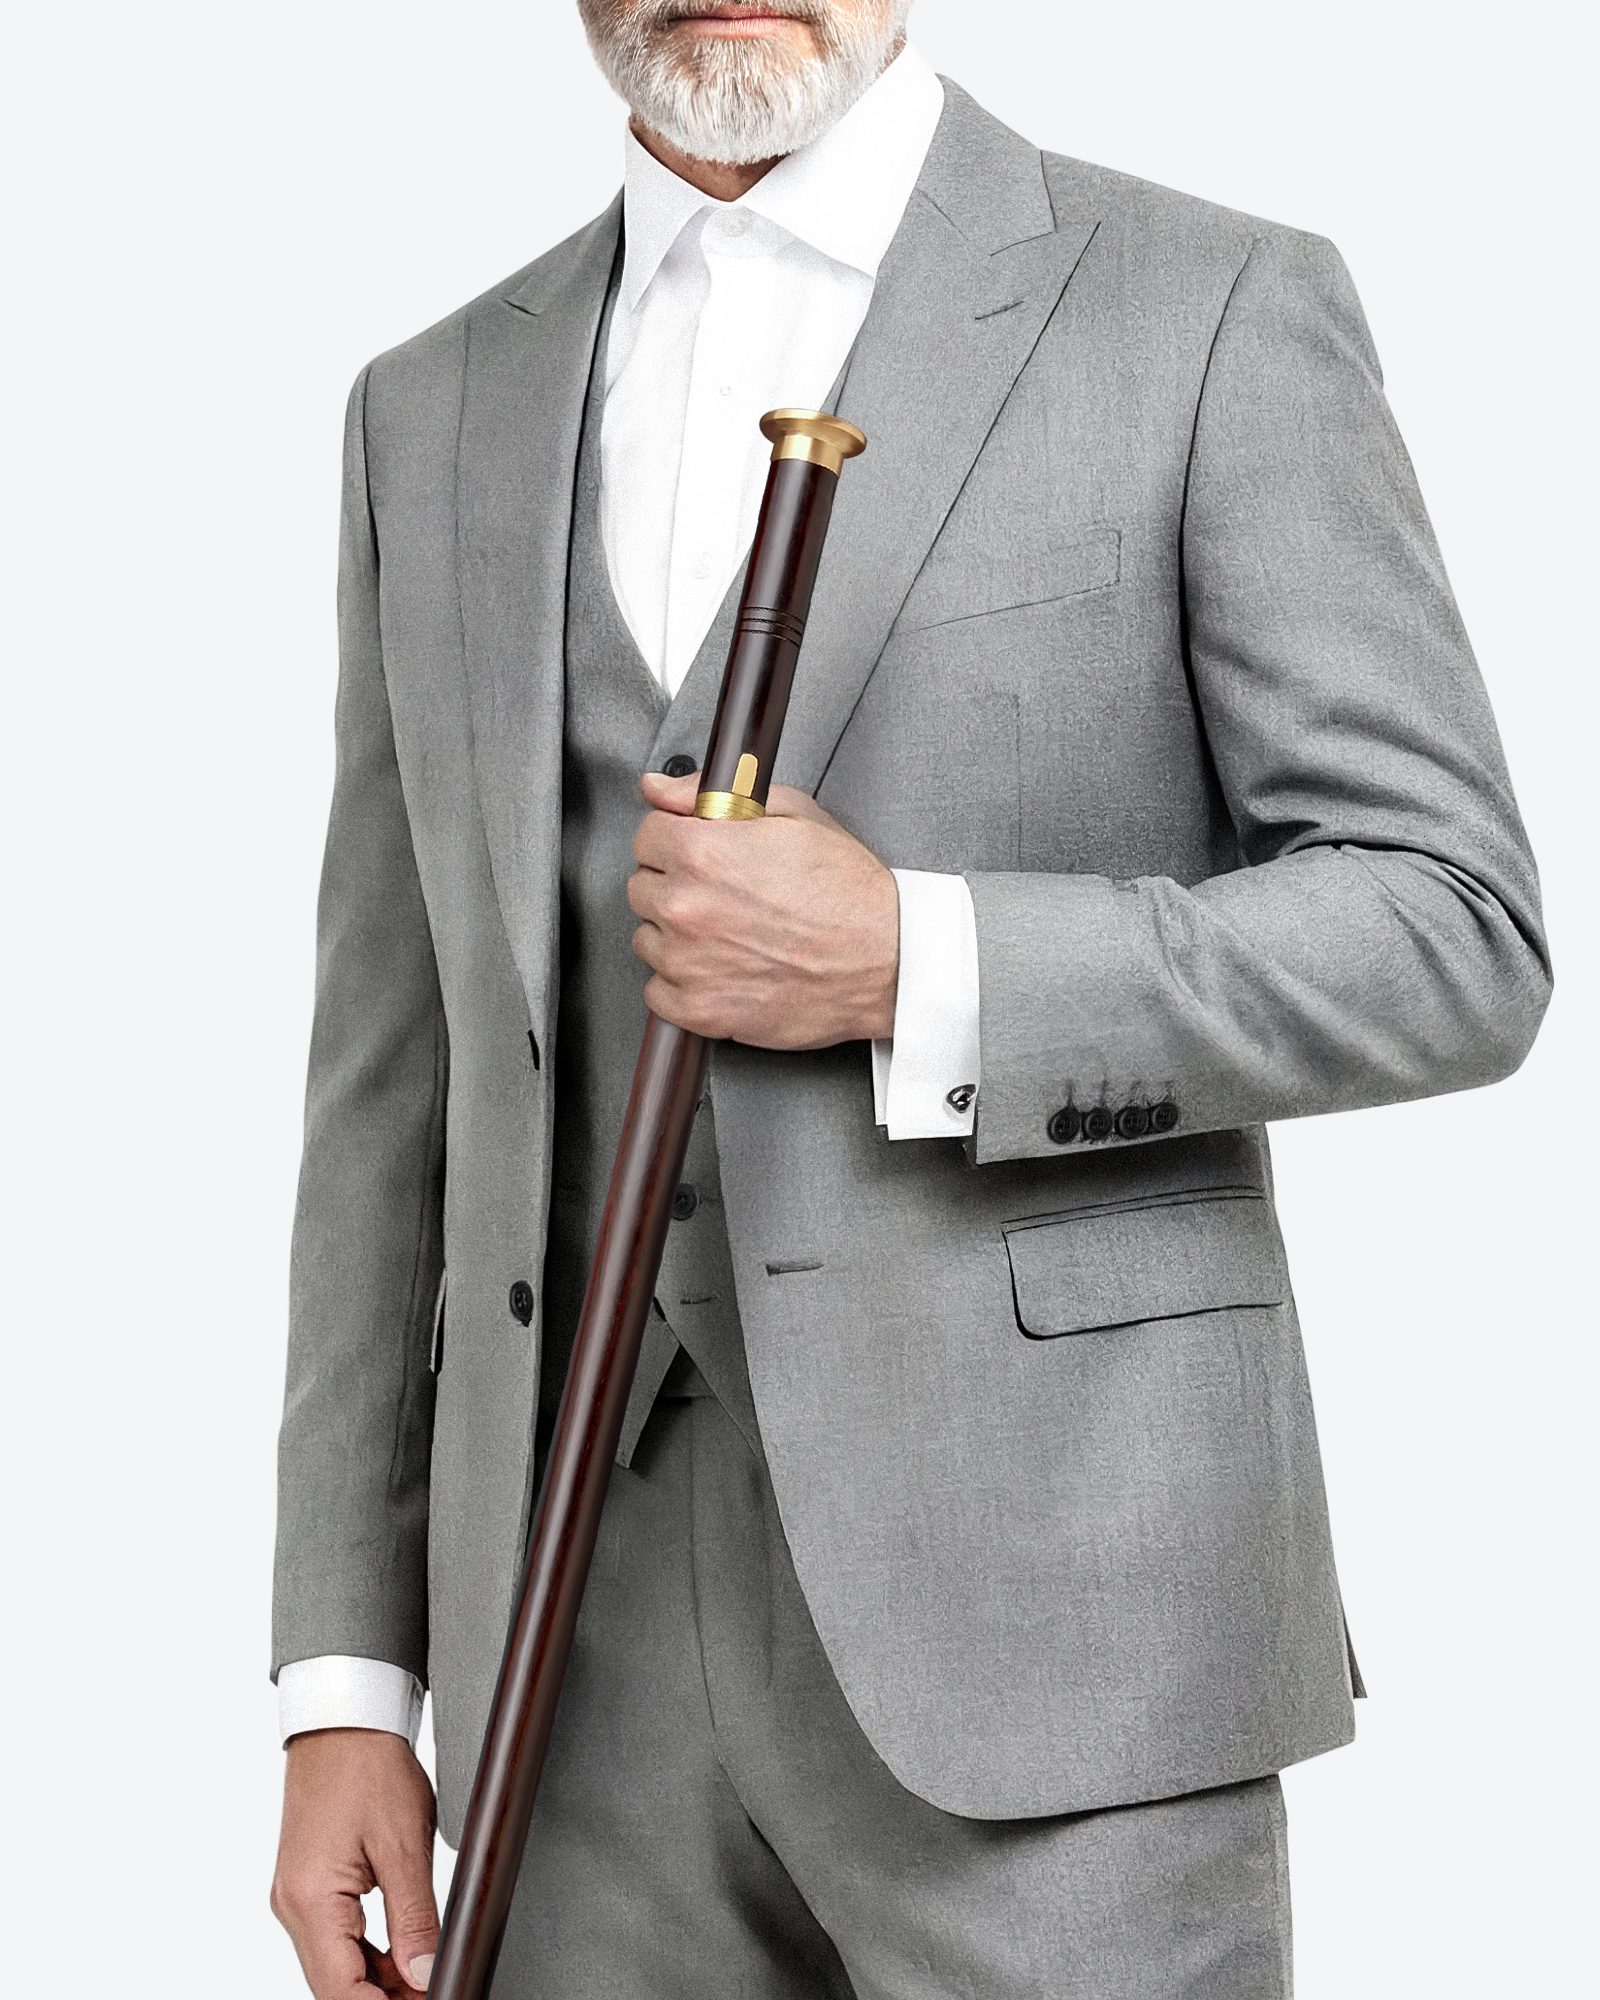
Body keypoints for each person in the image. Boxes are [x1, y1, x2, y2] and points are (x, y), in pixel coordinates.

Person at [268, 3, 1552, 1994]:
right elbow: (390, 1074)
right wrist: (346, 1680)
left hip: (1069, 1632)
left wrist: (919, 962)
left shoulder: (1204, 307)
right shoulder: (426, 405)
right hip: (565, 1658)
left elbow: (1449, 929)